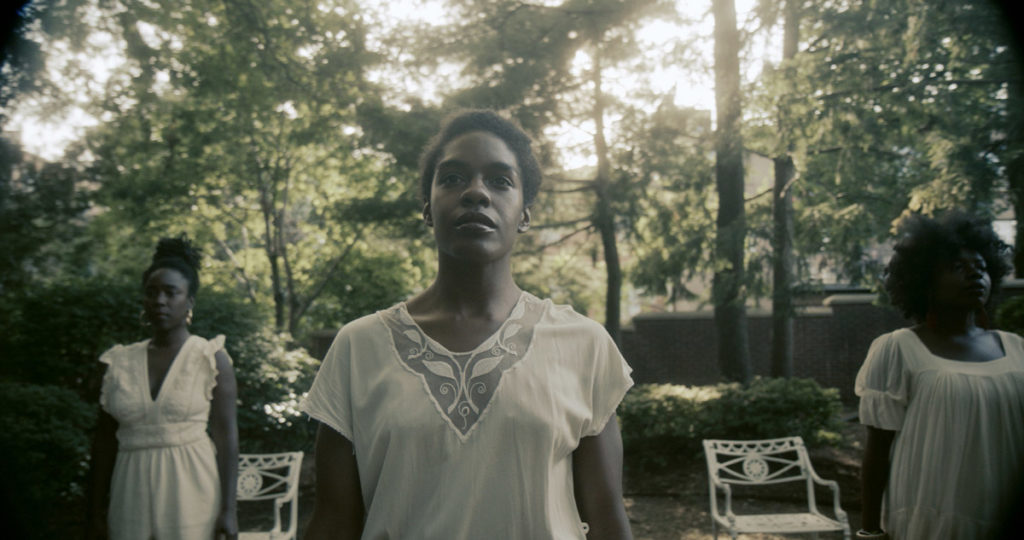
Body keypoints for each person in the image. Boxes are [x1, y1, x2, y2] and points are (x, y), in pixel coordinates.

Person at [301, 110, 635, 539]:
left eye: (500, 181)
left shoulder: (583, 344)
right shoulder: (357, 347)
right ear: (427, 209)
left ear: (524, 215)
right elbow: (333, 522)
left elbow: (607, 519)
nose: (476, 192)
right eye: (453, 178)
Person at [856, 212, 1024, 539]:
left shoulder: (1018, 349)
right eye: (958, 268)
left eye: (981, 267)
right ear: (925, 281)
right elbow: (876, 451)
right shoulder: (898, 348)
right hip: (930, 515)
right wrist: (869, 530)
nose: (975, 274)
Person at [87, 235, 239, 540]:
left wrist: (229, 510)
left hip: (192, 487)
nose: (159, 301)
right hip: (129, 490)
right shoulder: (117, 362)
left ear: (189, 301)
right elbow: (103, 443)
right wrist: (92, 511)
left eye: (171, 293)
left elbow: (227, 437)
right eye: (152, 293)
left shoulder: (210, 358)